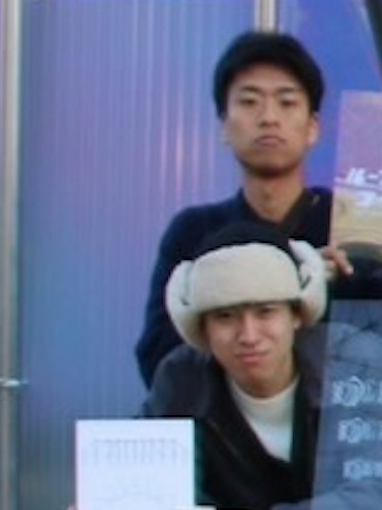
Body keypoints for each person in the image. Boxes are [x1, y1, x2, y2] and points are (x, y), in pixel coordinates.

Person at [127, 239, 382, 510]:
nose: (248, 335)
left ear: (297, 316)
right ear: (202, 329)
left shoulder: (360, 364)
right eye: (225, 317)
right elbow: (149, 484)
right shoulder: (181, 378)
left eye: (266, 312)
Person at [133, 30, 358, 389]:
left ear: (313, 128)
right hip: (225, 440)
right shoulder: (194, 231)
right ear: (225, 125)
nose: (269, 117)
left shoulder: (353, 226)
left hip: (333, 439)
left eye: (286, 103)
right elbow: (156, 362)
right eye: (250, 102)